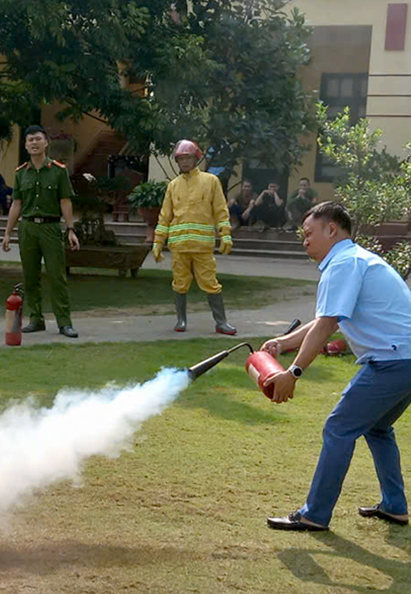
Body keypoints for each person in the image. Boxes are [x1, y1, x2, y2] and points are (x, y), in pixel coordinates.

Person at [263, 201, 411, 531]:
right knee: (377, 427)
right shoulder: (356, 259)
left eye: (308, 233)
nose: (304, 241)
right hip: (404, 360)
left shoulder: (343, 263)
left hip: (393, 360)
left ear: (331, 229)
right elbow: (326, 319)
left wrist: (294, 372)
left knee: (338, 428)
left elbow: (328, 324)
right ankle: (395, 506)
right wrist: (284, 343)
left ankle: (314, 514)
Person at [1, 125, 80, 338]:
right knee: (30, 276)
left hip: (51, 227)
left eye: (37, 139)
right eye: (30, 140)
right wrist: (8, 232)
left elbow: (65, 201)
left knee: (57, 275)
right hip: (27, 228)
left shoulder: (58, 170)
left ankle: (64, 322)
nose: (34, 143)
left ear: (46, 143)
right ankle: (36, 319)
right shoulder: (20, 173)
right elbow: (16, 203)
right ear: (26, 146)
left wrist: (71, 229)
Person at [152, 139, 236, 334]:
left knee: (211, 283)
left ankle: (221, 322)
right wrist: (158, 242)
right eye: (180, 159)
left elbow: (220, 211)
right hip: (179, 246)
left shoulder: (210, 181)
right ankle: (181, 320)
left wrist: (225, 235)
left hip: (202, 246)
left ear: (196, 158)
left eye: (188, 158)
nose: (184, 162)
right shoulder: (173, 186)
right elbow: (165, 216)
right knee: (179, 284)